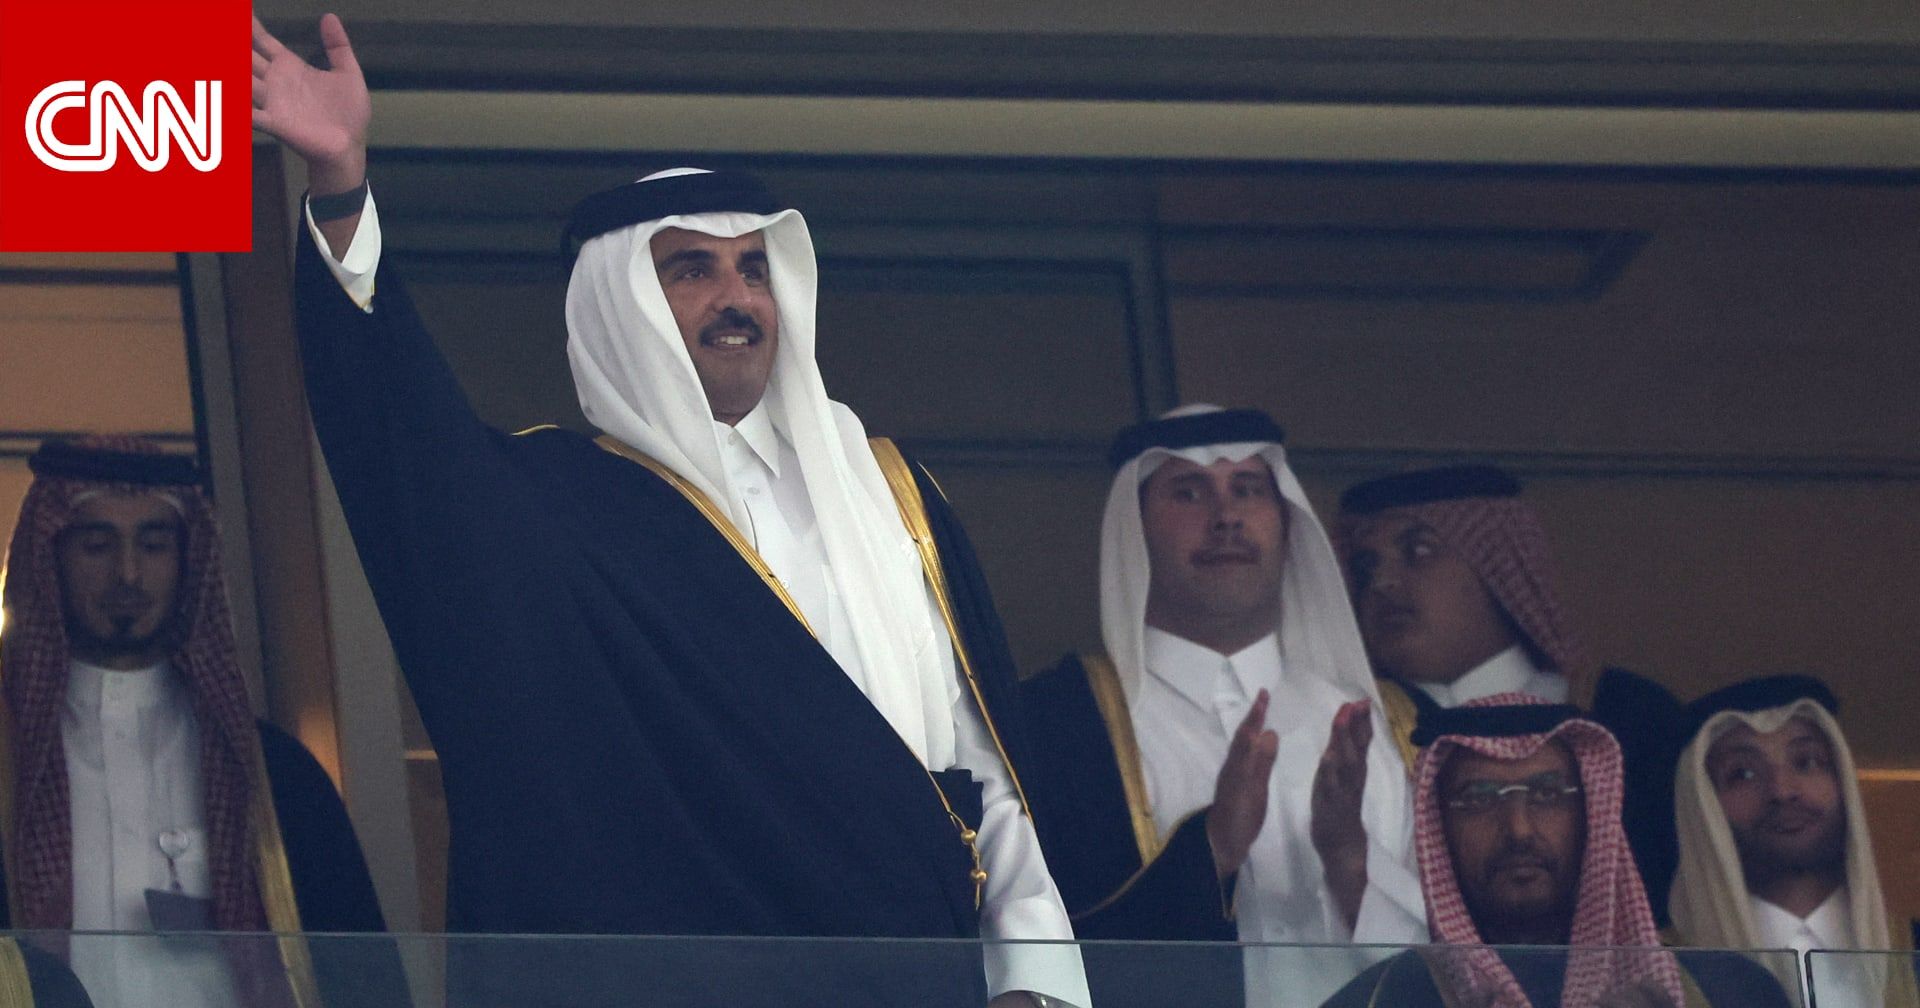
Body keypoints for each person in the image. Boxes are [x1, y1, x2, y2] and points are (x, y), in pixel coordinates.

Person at [250, 14, 1088, 1008]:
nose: (738, 298)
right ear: (622, 306)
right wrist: (341, 185)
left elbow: (981, 778)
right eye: (693, 269)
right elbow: (400, 437)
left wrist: (1033, 982)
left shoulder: (889, 494)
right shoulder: (553, 512)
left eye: (754, 268)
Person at [1018, 406, 1424, 1008]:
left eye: (1248, 489)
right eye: (1189, 492)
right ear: (1135, 530)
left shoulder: (1389, 725)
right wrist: (1210, 850)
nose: (1226, 516)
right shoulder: (1058, 723)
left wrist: (1349, 859)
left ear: (1287, 523)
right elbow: (1043, 953)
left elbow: (1457, 966)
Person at [0, 436, 395, 1008]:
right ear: (51, 558)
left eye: (154, 545)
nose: (128, 574)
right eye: (97, 545)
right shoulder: (10, 766)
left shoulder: (278, 777)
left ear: (188, 561)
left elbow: (362, 972)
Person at [1336, 464, 1686, 921]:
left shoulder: (1632, 717)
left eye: (1418, 551)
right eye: (1366, 567)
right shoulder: (1353, 727)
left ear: (1498, 565)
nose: (1382, 583)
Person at [1321, 697, 1791, 1008]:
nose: (1519, 829)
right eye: (1479, 799)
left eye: (1548, 794)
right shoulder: (1384, 1000)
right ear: (1439, 827)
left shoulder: (1730, 992)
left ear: (1592, 814)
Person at [1669, 675, 1920, 1008]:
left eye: (1807, 762)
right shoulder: (1656, 973)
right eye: (1743, 774)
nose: (1782, 791)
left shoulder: (1912, 953)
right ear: (1705, 807)